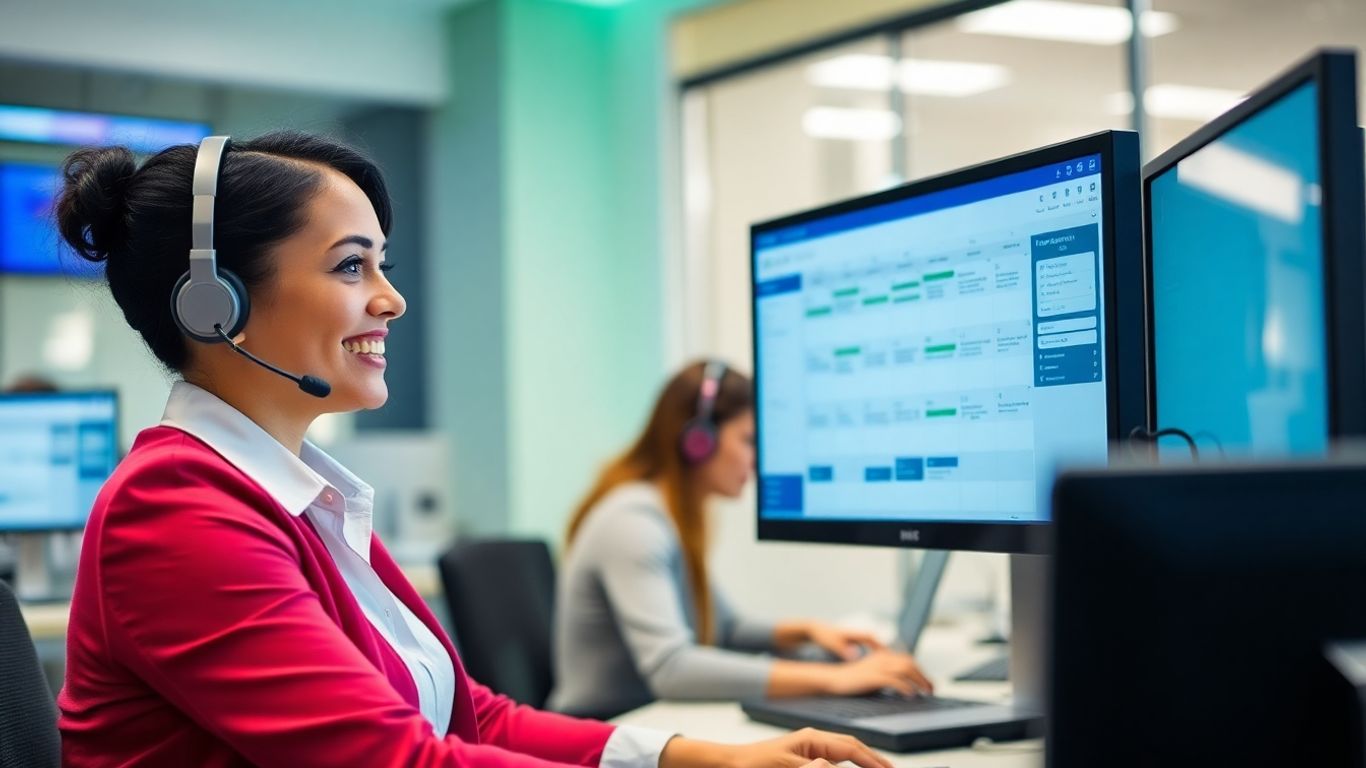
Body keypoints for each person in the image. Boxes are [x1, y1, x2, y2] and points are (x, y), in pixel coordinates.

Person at [52, 132, 892, 768]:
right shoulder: (173, 512)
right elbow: (401, 762)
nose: (392, 299)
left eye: (382, 264)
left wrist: (697, 756)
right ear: (213, 303)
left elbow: (470, 717)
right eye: (352, 267)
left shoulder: (300, 498)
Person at [549, 362, 933, 719]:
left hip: (643, 724)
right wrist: (832, 679)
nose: (758, 459)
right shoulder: (633, 524)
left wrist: (809, 632)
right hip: (592, 741)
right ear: (698, 441)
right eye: (748, 440)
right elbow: (671, 668)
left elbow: (724, 629)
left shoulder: (672, 515)